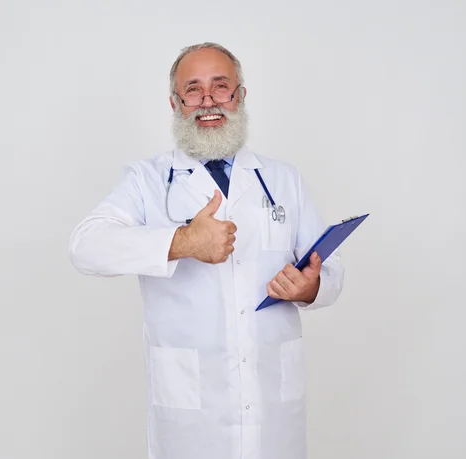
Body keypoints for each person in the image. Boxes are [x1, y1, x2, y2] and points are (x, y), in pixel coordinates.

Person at [69, 42, 344, 459]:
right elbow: (85, 247)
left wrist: (310, 287)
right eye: (193, 90)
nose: (208, 101)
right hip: (191, 412)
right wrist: (183, 242)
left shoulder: (284, 179)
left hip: (272, 403)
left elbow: (331, 268)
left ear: (241, 95)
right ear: (175, 103)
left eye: (221, 86)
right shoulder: (147, 180)